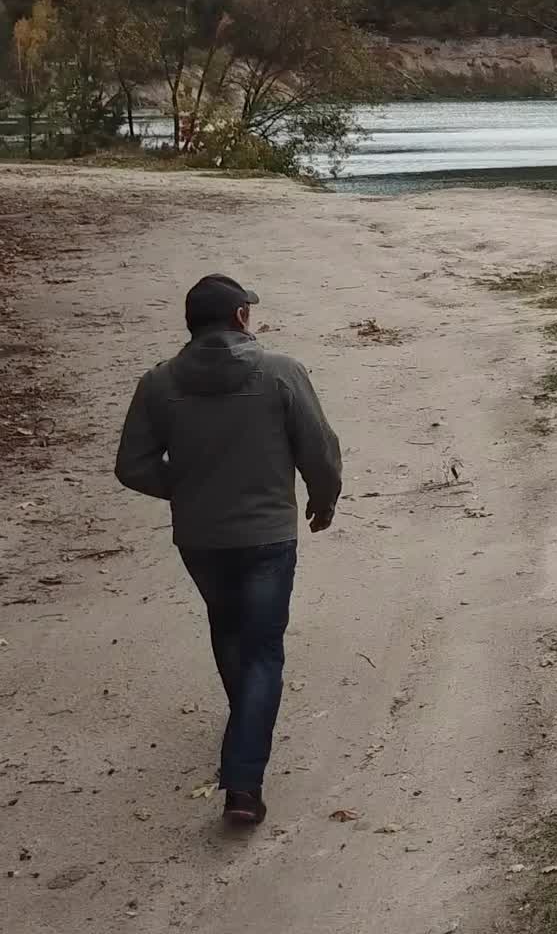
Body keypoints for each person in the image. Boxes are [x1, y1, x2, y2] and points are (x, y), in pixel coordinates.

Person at [114, 274, 342, 828]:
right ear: (241, 318)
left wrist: (189, 488)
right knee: (263, 647)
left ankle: (247, 727)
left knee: (228, 629)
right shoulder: (281, 372)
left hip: (201, 538)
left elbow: (133, 466)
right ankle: (243, 782)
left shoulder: (158, 383)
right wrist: (324, 498)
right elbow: (318, 446)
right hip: (267, 535)